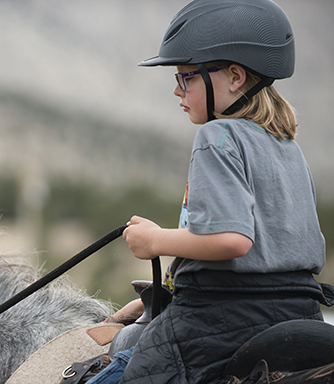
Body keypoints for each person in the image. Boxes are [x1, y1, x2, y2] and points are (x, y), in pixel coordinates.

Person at [91, 0, 334, 383]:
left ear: (235, 77)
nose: (177, 90)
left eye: (186, 77)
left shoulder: (215, 135)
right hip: (299, 312)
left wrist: (155, 241)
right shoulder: (288, 146)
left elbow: (231, 241)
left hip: (218, 324)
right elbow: (264, 258)